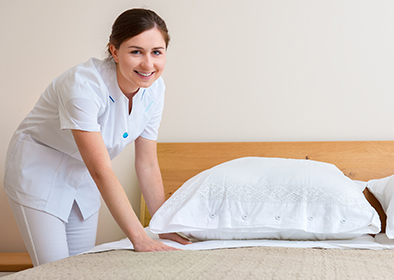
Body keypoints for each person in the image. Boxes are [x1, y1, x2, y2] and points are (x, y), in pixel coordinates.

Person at [4, 8, 190, 267]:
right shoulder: (83, 86)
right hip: (41, 171)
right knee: (55, 270)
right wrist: (139, 237)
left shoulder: (156, 90)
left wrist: (162, 226)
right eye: (136, 51)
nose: (148, 64)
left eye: (156, 52)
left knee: (82, 268)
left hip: (84, 175)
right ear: (114, 51)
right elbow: (101, 169)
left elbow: (146, 163)